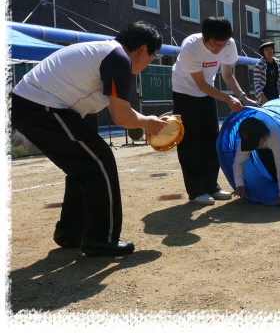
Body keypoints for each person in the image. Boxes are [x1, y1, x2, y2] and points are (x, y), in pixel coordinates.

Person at [11, 21, 167, 256]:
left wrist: (148, 121)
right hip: (42, 106)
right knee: (100, 161)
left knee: (84, 166)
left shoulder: (106, 52)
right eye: (153, 56)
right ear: (143, 49)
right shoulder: (118, 58)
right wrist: (148, 122)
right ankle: (100, 239)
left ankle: (71, 232)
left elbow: (119, 112)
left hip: (33, 105)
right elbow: (121, 116)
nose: (150, 62)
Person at [172, 16, 258, 205]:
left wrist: (243, 96)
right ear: (204, 37)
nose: (219, 48)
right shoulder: (190, 47)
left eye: (223, 44)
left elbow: (227, 75)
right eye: (214, 45)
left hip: (207, 92)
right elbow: (200, 84)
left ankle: (212, 186)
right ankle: (196, 191)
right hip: (184, 91)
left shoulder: (229, 44)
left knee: (212, 138)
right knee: (190, 141)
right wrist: (227, 98)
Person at [232, 117, 280, 206]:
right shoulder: (247, 135)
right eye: (248, 143)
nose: (251, 146)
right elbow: (238, 162)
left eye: (253, 143)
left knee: (278, 165)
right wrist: (240, 185)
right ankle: (274, 178)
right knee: (264, 156)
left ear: (263, 136)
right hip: (265, 144)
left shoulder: (277, 135)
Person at [253, 39, 280, 105]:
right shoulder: (259, 65)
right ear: (263, 52)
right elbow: (256, 83)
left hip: (276, 96)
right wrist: (262, 97)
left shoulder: (279, 63)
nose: (269, 51)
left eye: (270, 48)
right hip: (264, 98)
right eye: (266, 49)